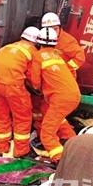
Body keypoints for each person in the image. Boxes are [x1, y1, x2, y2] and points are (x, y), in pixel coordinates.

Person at [0, 27, 40, 157]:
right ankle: (20, 151)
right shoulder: (32, 52)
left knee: (0, 116)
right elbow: (34, 78)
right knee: (22, 117)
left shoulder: (6, 47)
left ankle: (2, 147)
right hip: (13, 85)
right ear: (36, 42)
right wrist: (37, 89)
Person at [29, 27, 81, 162]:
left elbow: (35, 82)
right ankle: (73, 142)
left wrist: (36, 87)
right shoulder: (58, 55)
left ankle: (61, 159)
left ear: (38, 43)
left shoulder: (38, 56)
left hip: (60, 98)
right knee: (54, 117)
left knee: (47, 132)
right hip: (73, 94)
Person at [41, 12, 85, 77]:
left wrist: (66, 68)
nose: (53, 32)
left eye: (55, 29)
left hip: (64, 77)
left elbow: (80, 57)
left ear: (59, 27)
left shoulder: (67, 41)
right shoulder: (43, 37)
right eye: (49, 29)